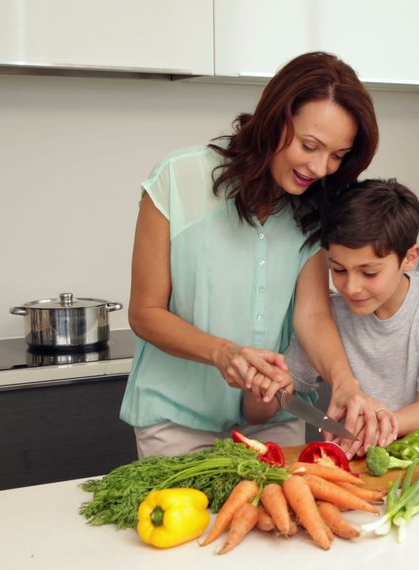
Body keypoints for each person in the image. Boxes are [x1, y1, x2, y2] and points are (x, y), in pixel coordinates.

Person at [121, 52, 385, 457]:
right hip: (176, 423)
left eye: (337, 156)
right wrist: (223, 353)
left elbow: (312, 314)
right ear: (276, 118)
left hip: (274, 419)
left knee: (283, 521)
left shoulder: (315, 207)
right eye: (309, 145)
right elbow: (144, 312)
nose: (319, 168)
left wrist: (345, 383)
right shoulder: (177, 179)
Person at [243, 179, 419, 452]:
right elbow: (256, 414)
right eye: (338, 270)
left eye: (369, 273)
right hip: (365, 460)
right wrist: (263, 390)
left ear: (410, 258)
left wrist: (375, 425)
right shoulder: (328, 316)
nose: (351, 287)